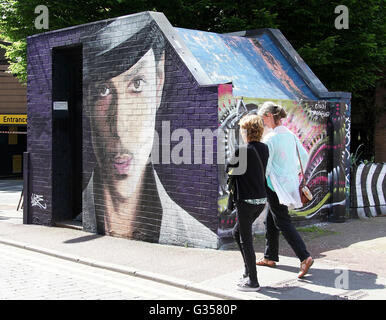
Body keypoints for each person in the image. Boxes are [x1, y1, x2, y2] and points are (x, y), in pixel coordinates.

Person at [82, 16, 217, 248]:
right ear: (86, 100)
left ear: (159, 82)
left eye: (137, 85)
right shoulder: (81, 209)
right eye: (103, 91)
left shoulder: (199, 236)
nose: (120, 128)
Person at [256, 101, 313, 278]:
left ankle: (304, 257)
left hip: (275, 185)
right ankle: (270, 256)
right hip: (289, 183)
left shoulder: (270, 139)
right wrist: (291, 171)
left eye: (263, 118)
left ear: (269, 116)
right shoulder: (290, 135)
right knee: (270, 220)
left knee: (282, 220)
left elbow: (265, 166)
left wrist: (260, 182)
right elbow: (304, 155)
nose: (263, 122)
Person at [227, 114, 269, 291]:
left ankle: (253, 281)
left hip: (246, 201)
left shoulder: (242, 151)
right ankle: (247, 269)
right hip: (260, 201)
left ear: (246, 131)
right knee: (237, 232)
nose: (241, 132)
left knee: (246, 240)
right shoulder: (264, 148)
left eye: (242, 129)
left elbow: (230, 172)